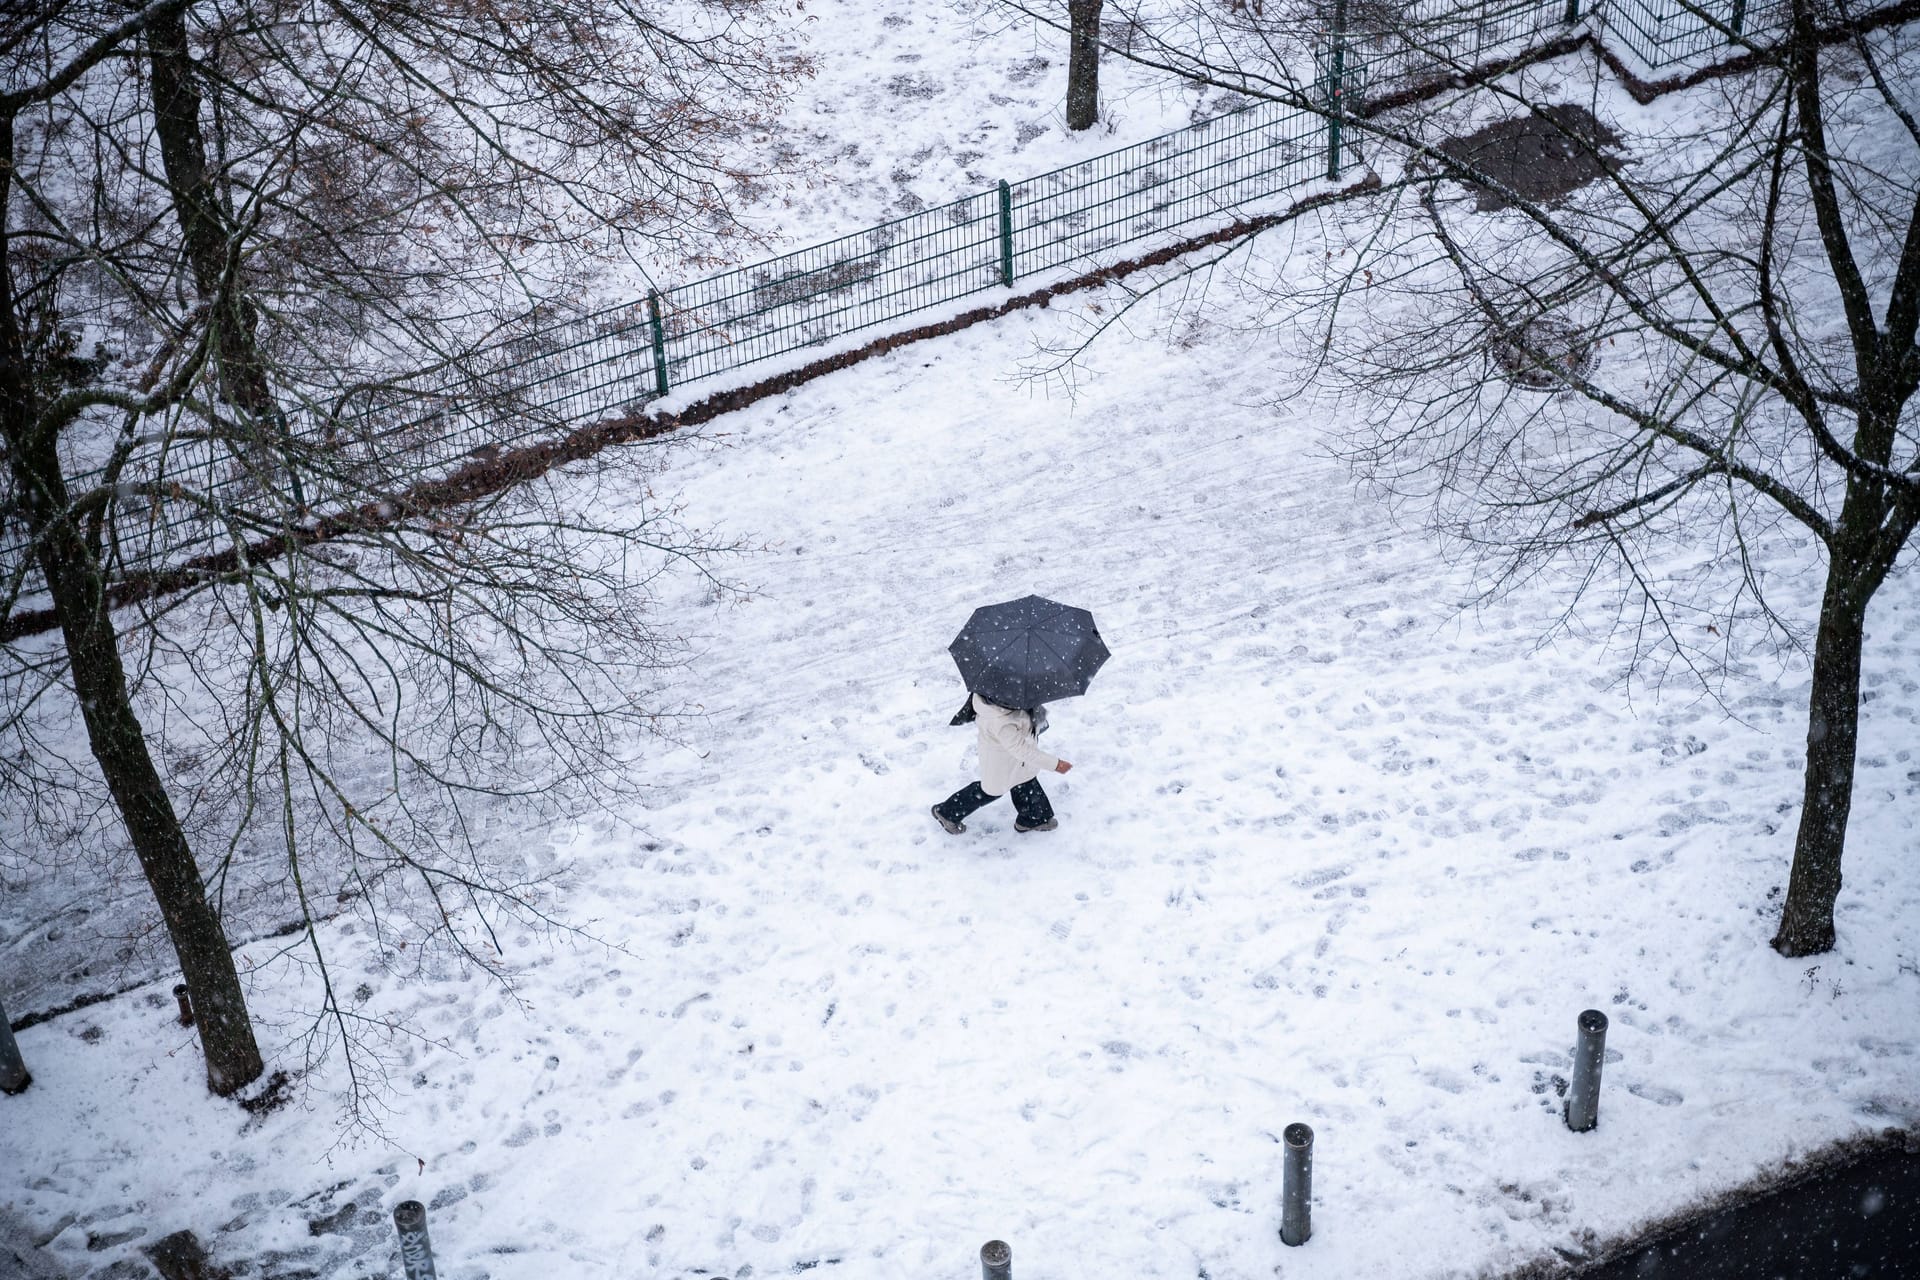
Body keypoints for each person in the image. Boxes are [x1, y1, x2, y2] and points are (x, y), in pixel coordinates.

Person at [931, 691, 1073, 834]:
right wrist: (1055, 764)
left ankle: (1033, 819)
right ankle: (947, 812)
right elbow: (1021, 750)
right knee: (990, 791)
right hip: (1002, 762)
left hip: (1015, 760)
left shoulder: (1003, 698)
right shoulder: (1001, 721)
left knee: (1025, 781)